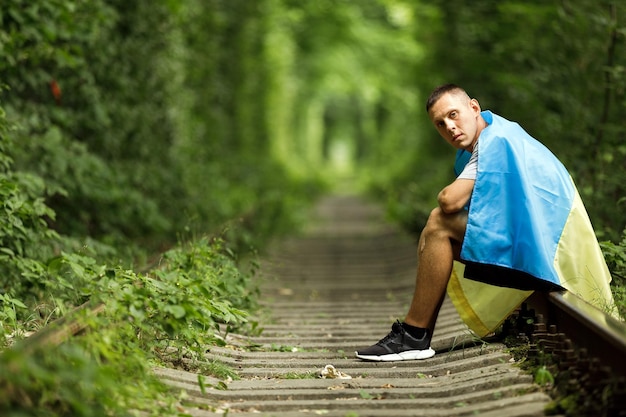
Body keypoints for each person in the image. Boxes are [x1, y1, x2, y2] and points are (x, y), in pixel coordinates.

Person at [355, 84, 614, 362]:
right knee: (438, 229)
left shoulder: (495, 141)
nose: (449, 127)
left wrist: (431, 232)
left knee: (439, 222)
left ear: (474, 108)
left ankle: (414, 334)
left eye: (454, 115)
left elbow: (449, 201)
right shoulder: (501, 133)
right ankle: (414, 335)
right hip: (547, 246)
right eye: (440, 124)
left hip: (553, 254)